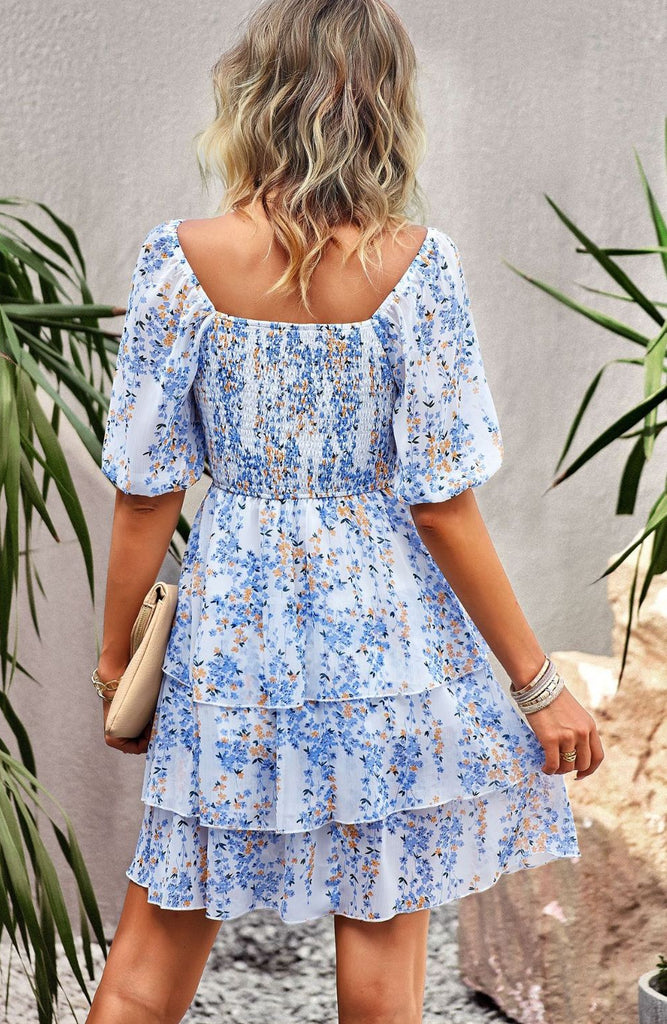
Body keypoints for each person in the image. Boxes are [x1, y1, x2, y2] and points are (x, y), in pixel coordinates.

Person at [88, 1, 604, 1021]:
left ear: (252, 94)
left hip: (232, 635)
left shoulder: (176, 260)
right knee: (380, 950)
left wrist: (117, 661)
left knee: (155, 944)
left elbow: (147, 489)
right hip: (383, 643)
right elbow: (442, 506)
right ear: (385, 107)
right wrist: (535, 682)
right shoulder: (418, 269)